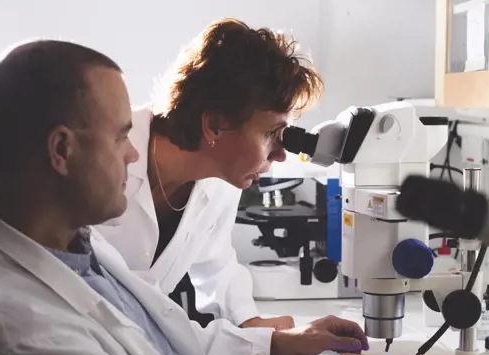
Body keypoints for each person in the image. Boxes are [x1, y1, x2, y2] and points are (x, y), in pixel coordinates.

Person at [0, 39, 421, 355]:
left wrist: (277, 344)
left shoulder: (70, 240)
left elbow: (153, 336)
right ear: (62, 151)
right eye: (121, 136)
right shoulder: (16, 323)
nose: (134, 151)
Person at [94, 18, 327, 330]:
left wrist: (253, 325)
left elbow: (216, 263)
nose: (281, 153)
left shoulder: (220, 180)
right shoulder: (98, 157)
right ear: (214, 125)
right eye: (271, 133)